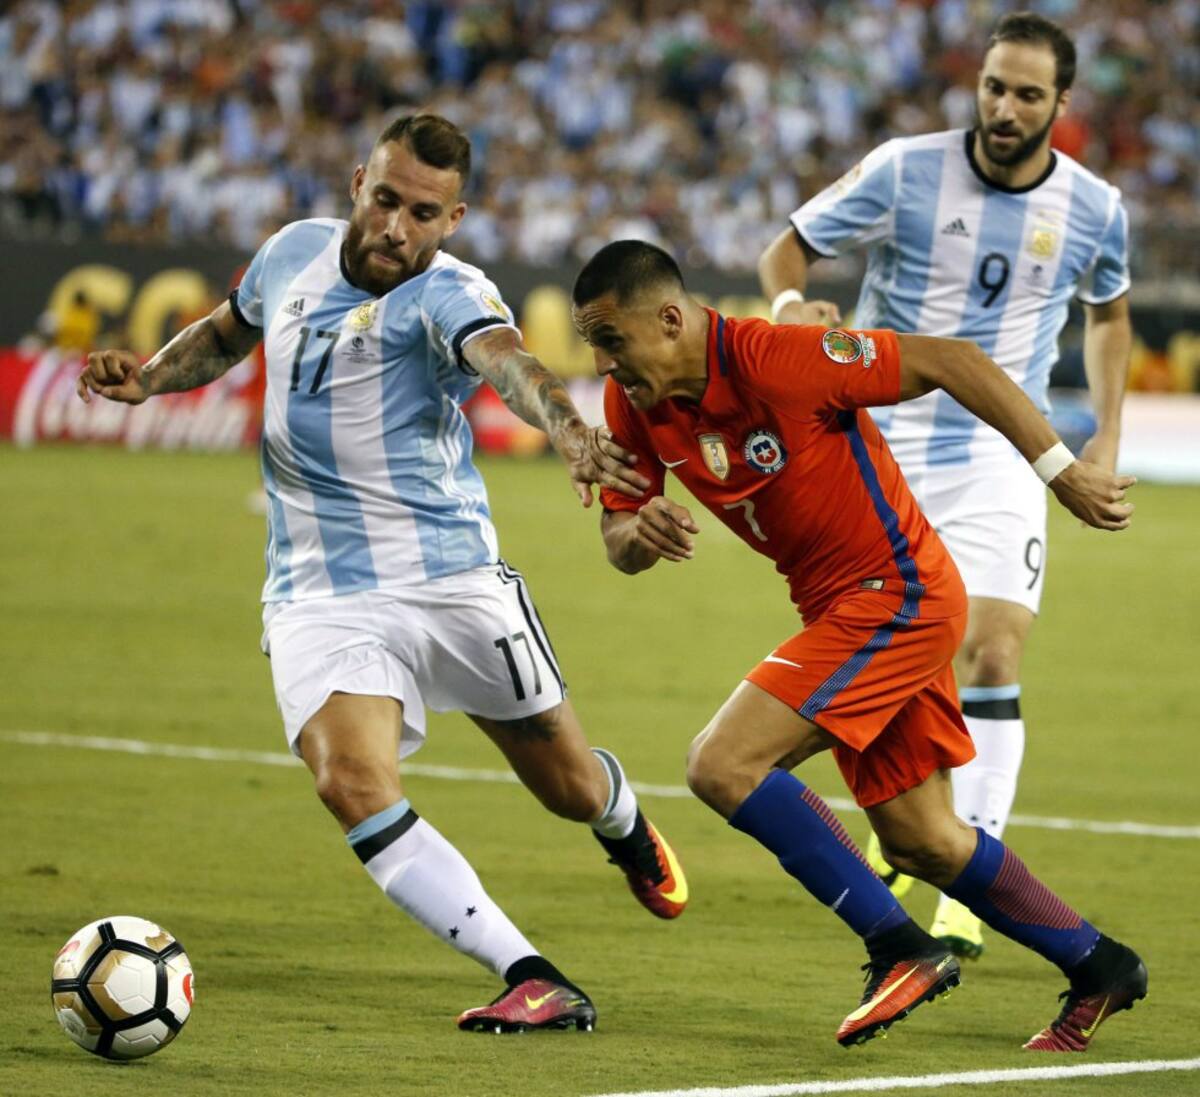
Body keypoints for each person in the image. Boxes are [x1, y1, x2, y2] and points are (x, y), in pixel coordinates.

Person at [76, 114, 688, 1035]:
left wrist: (569, 432)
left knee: (568, 784)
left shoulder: (450, 292)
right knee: (350, 780)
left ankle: (624, 822)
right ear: (359, 182)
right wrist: (151, 377)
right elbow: (228, 331)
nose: (397, 228)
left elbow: (512, 364)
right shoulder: (292, 252)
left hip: (451, 579)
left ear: (454, 219)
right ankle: (532, 973)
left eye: (424, 214)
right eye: (387, 200)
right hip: (318, 590)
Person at [571, 239, 1145, 1052]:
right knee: (922, 839)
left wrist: (1060, 471)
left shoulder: (779, 358)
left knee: (723, 763)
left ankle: (900, 946)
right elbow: (618, 538)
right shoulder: (633, 400)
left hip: (897, 593)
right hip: (845, 611)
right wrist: (639, 531)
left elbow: (953, 360)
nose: (601, 362)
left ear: (669, 319)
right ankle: (1101, 964)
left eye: (611, 339)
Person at [758, 12, 1133, 960]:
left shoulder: (1095, 207)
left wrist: (1106, 433)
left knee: (993, 652)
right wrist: (792, 305)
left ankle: (971, 882)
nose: (1005, 109)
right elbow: (786, 251)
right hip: (876, 443)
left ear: (1061, 103)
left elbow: (1111, 314)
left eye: (1028, 95)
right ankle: (913, 833)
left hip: (1002, 446)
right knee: (897, 653)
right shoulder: (904, 168)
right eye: (994, 87)